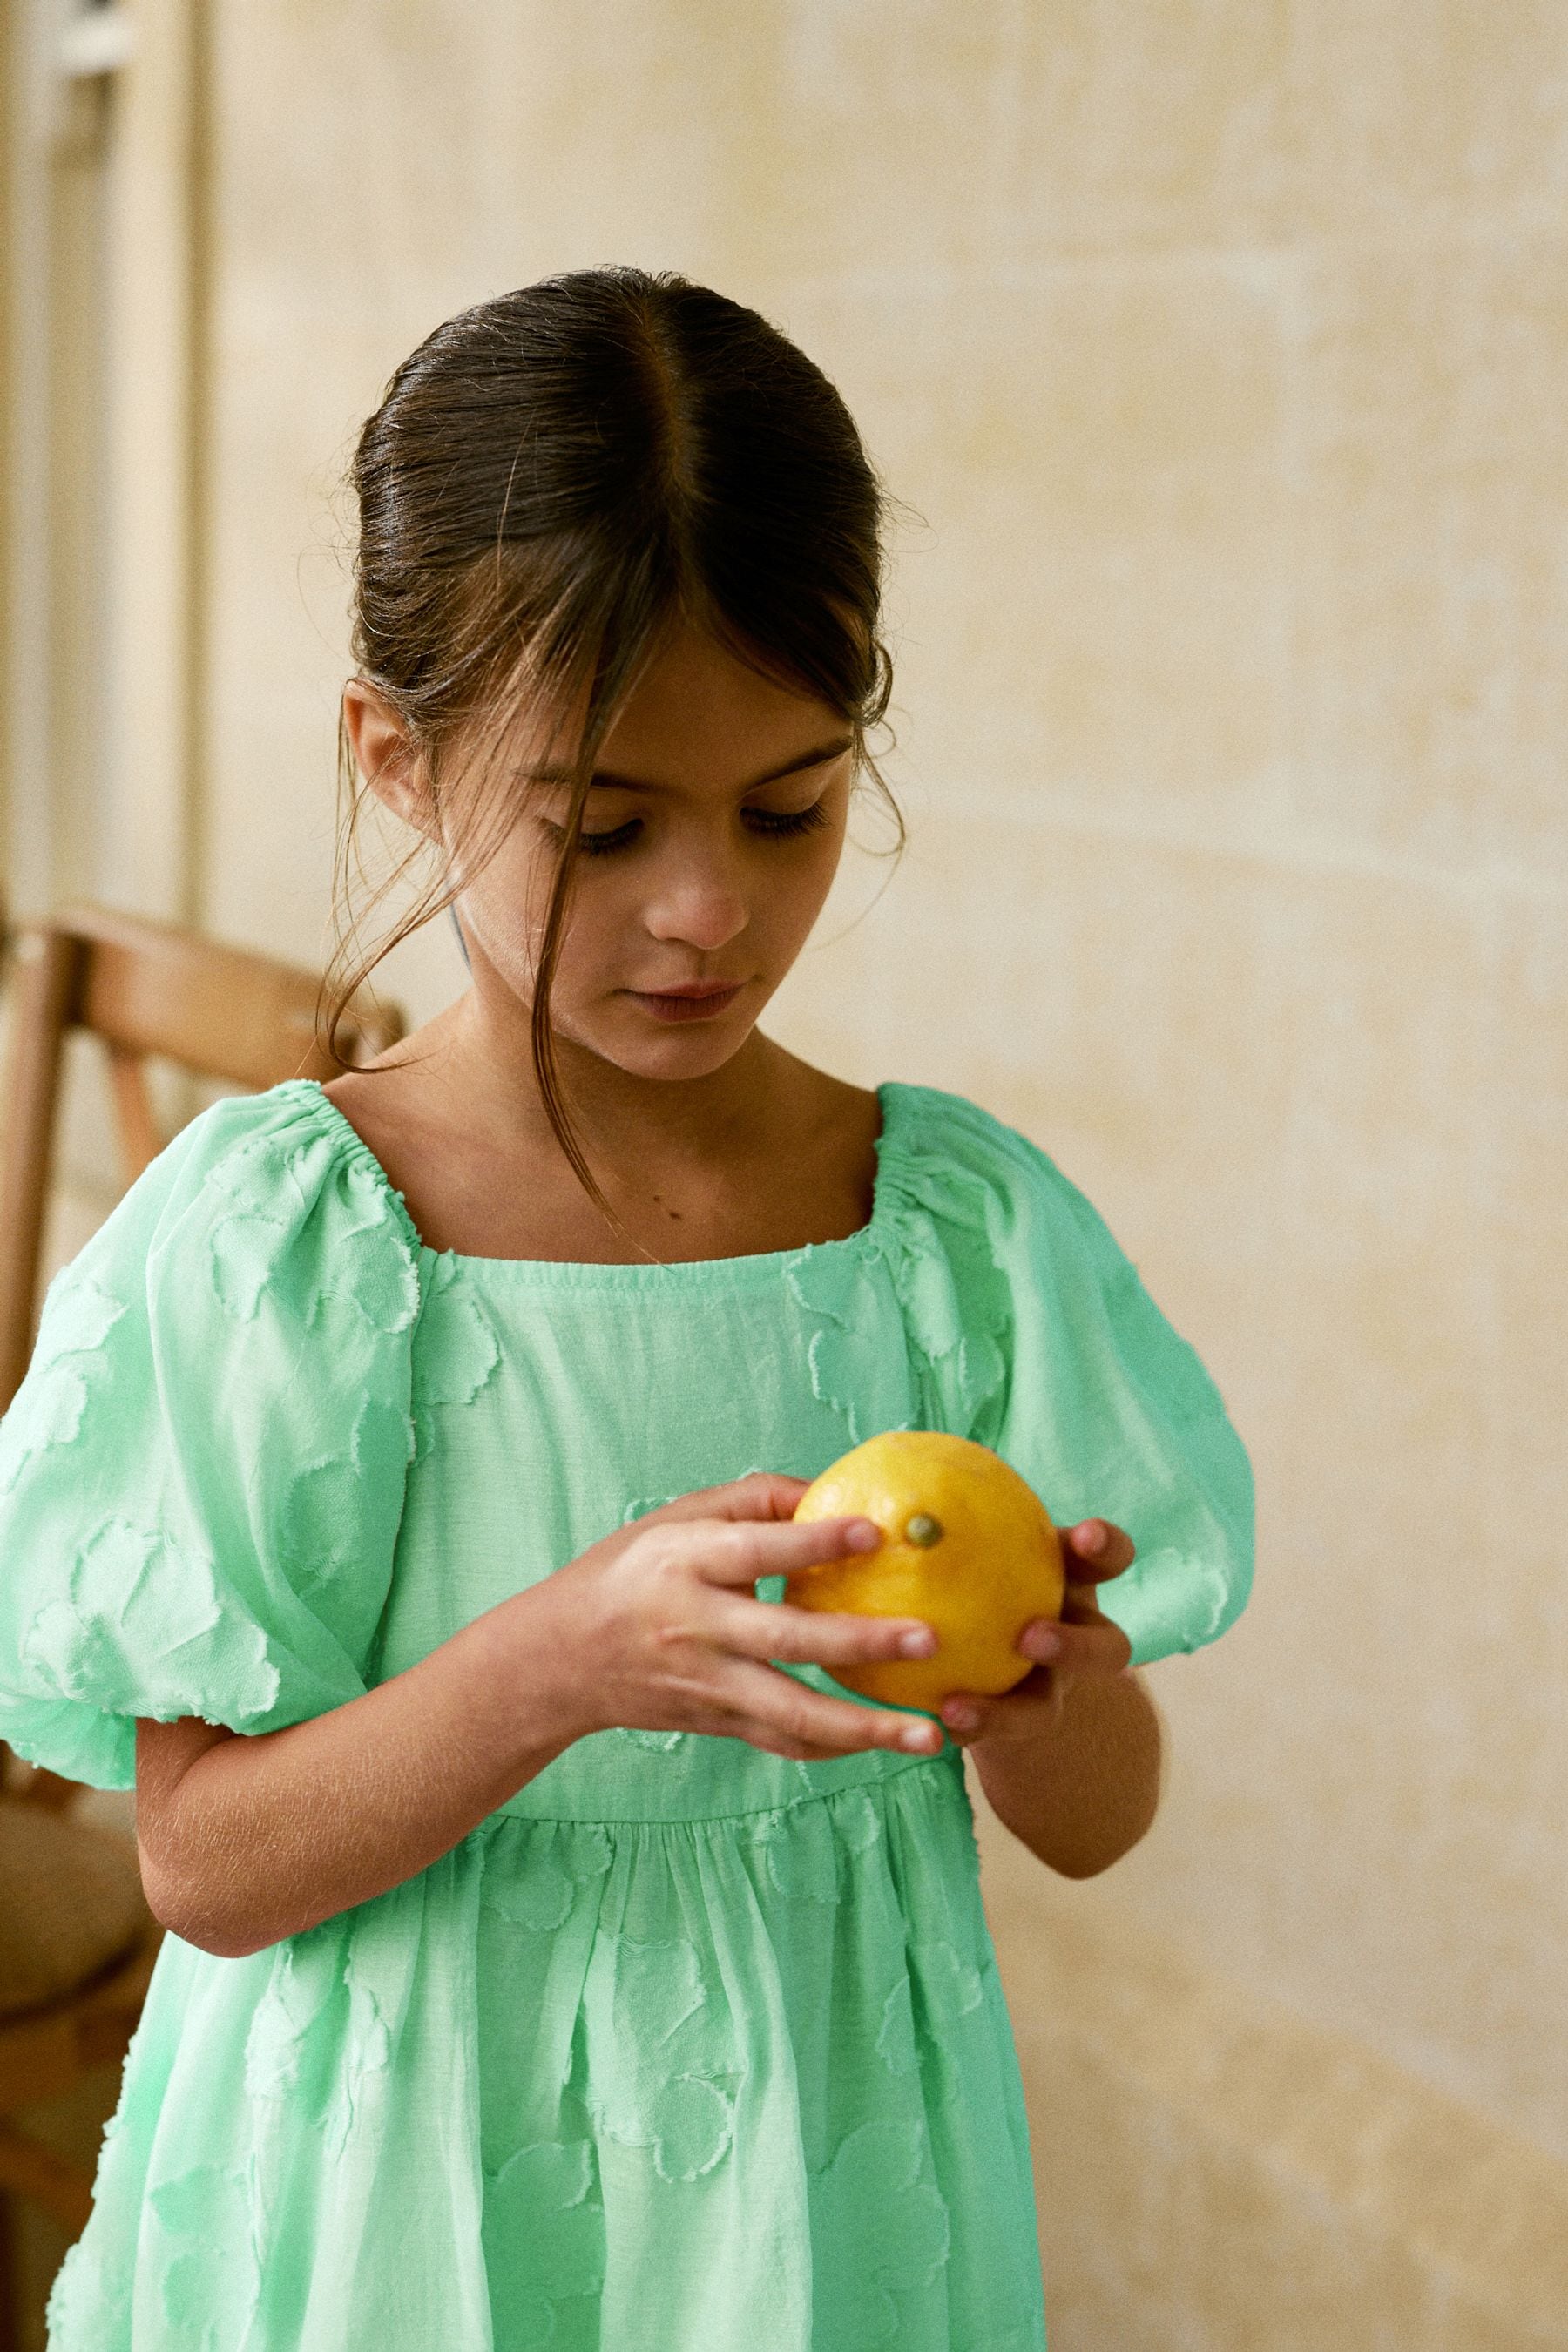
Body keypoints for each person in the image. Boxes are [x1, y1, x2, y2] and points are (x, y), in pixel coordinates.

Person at [0, 267, 1254, 2352]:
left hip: (821, 2194)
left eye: (790, 807)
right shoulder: (302, 1236)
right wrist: (558, 1664)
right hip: (396, 2189)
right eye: (602, 825)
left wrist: (1046, 1698)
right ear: (397, 763)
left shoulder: (941, 1227)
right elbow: (204, 1866)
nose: (711, 911)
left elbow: (1103, 1823)